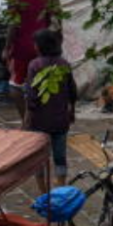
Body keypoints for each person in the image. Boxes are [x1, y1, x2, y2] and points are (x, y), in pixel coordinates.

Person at [24, 29, 77, 191]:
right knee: (60, 157)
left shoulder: (34, 65)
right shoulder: (63, 64)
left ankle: (43, 192)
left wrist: (27, 118)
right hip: (60, 120)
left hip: (39, 121)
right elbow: (72, 91)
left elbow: (32, 96)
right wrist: (72, 111)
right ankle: (60, 187)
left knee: (39, 158)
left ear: (40, 46)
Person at [2, 0, 53, 123]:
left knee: (15, 86)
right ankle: (42, 117)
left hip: (23, 46)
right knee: (42, 83)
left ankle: (27, 120)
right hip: (42, 45)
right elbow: (49, 18)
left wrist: (6, 47)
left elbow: (13, 24)